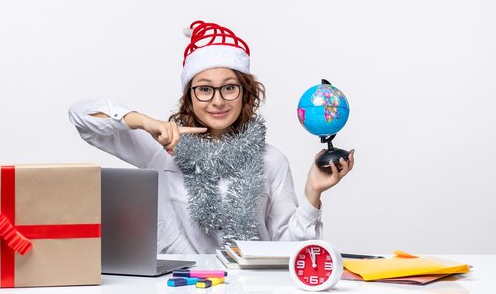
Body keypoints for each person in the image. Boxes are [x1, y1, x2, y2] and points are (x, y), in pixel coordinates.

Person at [69, 20, 354, 254]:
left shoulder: (271, 160)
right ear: (189, 97)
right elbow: (82, 118)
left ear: (246, 94)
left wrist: (312, 193)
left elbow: (289, 253)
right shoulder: (162, 147)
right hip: (179, 285)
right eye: (205, 89)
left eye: (229, 88)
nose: (217, 101)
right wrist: (143, 122)